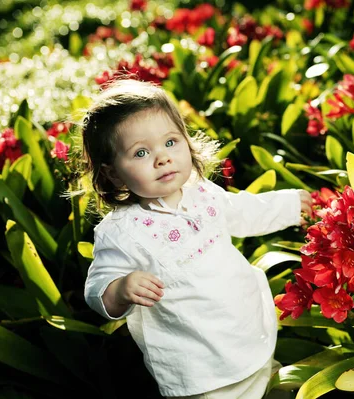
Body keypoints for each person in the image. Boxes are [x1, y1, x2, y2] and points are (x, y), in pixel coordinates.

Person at [80, 79, 312, 398]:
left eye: (171, 142)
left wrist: (288, 206)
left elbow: (242, 211)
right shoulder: (121, 231)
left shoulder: (200, 192)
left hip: (244, 328)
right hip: (199, 367)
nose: (162, 158)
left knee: (269, 383)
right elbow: (96, 289)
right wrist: (119, 289)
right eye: (141, 152)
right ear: (113, 173)